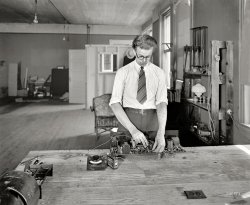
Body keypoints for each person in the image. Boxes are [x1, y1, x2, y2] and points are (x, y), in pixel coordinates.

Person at [109, 34, 168, 153]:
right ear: (134, 51)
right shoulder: (123, 72)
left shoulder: (159, 73)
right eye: (140, 56)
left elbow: (162, 103)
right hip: (128, 121)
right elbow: (115, 103)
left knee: (154, 160)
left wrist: (161, 132)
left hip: (152, 121)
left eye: (148, 57)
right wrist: (133, 130)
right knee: (125, 160)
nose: (144, 60)